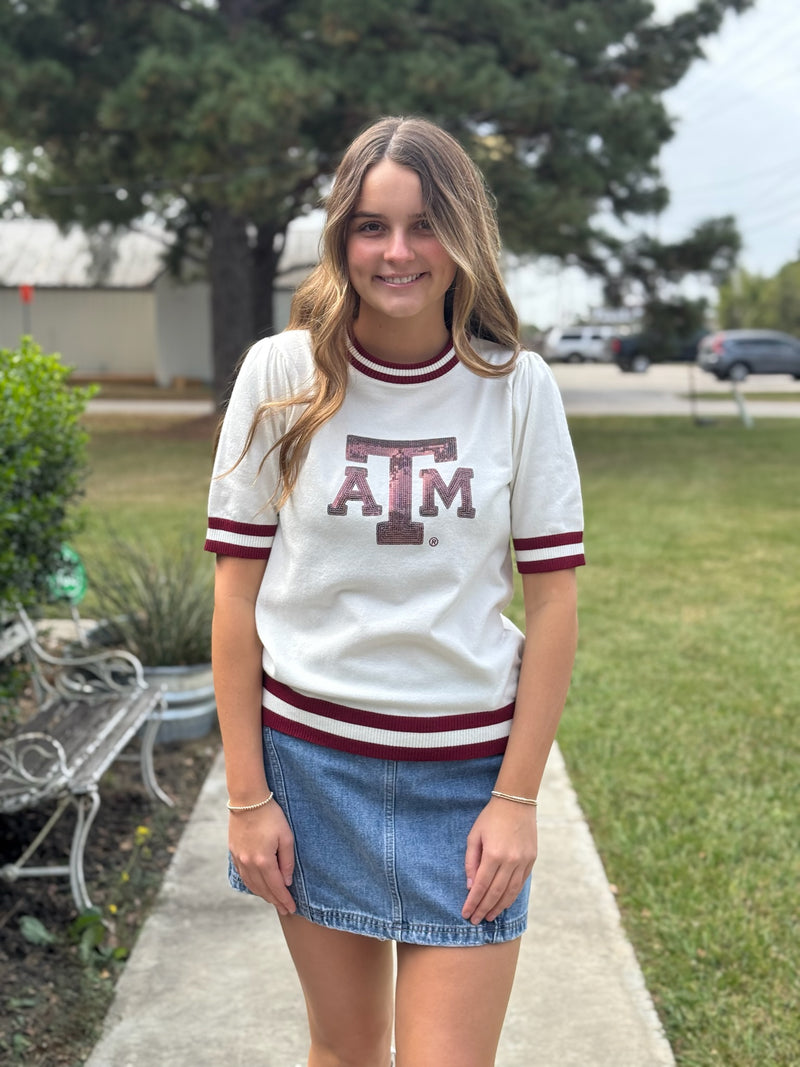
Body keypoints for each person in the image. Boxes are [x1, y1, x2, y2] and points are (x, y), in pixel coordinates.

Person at [205, 115, 585, 1067]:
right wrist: (248, 796)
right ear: (342, 236)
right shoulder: (281, 375)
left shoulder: (518, 387)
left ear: (464, 237)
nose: (399, 251)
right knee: (345, 1049)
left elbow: (555, 606)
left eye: (425, 225)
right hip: (310, 771)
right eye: (372, 226)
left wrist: (518, 799)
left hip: (465, 787)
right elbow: (234, 598)